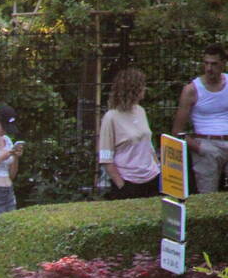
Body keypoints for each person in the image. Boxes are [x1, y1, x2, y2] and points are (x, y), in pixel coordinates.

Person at [172, 44, 228, 194]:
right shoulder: (192, 89)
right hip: (206, 144)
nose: (209, 68)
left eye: (214, 64)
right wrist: (199, 148)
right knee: (207, 197)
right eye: (206, 63)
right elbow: (177, 131)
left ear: (223, 63)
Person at [98, 68, 161, 200]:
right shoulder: (111, 118)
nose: (145, 89)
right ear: (133, 90)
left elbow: (148, 144)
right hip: (129, 183)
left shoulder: (141, 111)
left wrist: (157, 167)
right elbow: (105, 157)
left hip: (152, 178)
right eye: (142, 86)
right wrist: (121, 185)